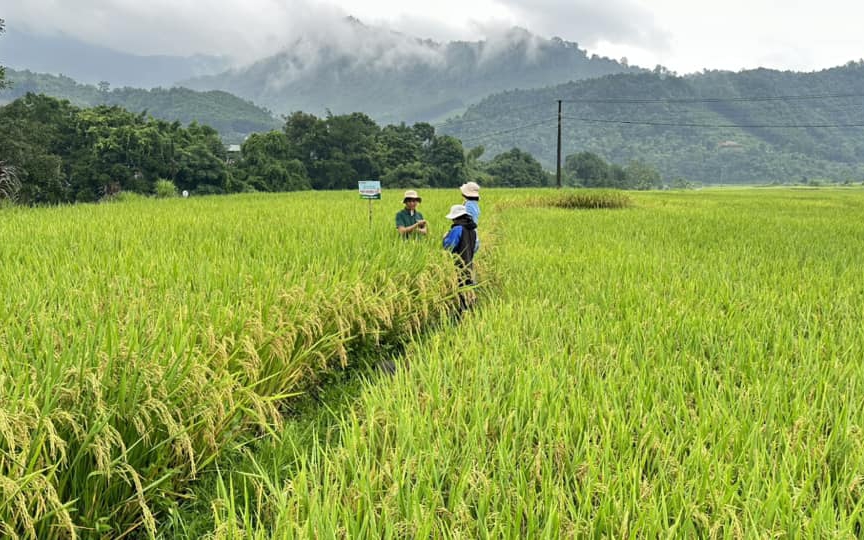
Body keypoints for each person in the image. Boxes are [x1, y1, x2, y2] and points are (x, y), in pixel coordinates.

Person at [442, 204, 478, 312]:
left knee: (460, 294)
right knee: (468, 292)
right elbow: (475, 248)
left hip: (458, 267)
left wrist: (445, 238)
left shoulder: (458, 229)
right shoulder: (473, 231)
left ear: (455, 218)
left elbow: (449, 246)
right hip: (469, 266)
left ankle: (461, 318)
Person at [460, 181, 481, 253]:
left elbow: (467, 222)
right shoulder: (475, 204)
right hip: (474, 237)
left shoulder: (468, 205)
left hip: (469, 239)